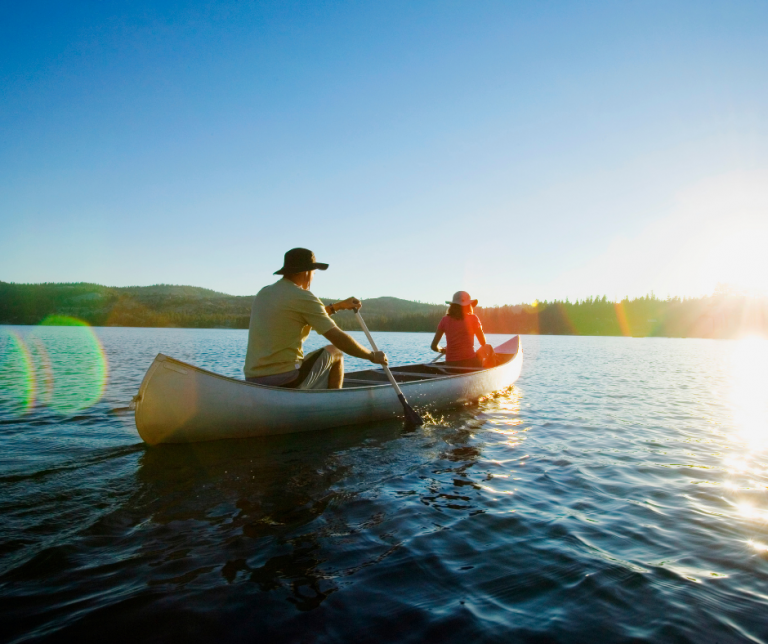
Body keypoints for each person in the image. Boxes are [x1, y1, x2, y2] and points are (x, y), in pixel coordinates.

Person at [244, 248, 388, 389]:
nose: (313, 276)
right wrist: (371, 355)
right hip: (286, 379)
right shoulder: (302, 296)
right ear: (307, 272)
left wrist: (338, 306)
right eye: (313, 272)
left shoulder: (264, 293)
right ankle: (334, 403)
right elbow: (337, 337)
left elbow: (306, 315)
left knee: (308, 359)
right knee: (336, 351)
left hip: (253, 379)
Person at [430, 291, 494, 368]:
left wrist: (442, 350)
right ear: (468, 305)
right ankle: (489, 372)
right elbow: (483, 342)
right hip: (469, 363)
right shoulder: (473, 318)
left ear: (452, 306)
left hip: (450, 365)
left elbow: (434, 346)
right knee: (488, 347)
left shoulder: (444, 320)